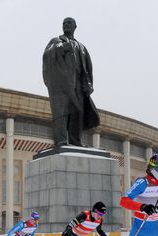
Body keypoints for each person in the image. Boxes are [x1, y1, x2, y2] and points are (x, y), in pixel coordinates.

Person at [42, 17, 100, 147]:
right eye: (63, 23)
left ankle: (75, 141)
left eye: (68, 23)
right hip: (62, 84)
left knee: (77, 112)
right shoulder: (56, 41)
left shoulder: (82, 47)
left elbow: (88, 67)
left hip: (78, 84)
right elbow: (46, 55)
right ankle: (61, 141)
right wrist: (61, 48)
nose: (65, 25)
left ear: (75, 26)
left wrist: (88, 83)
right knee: (61, 112)